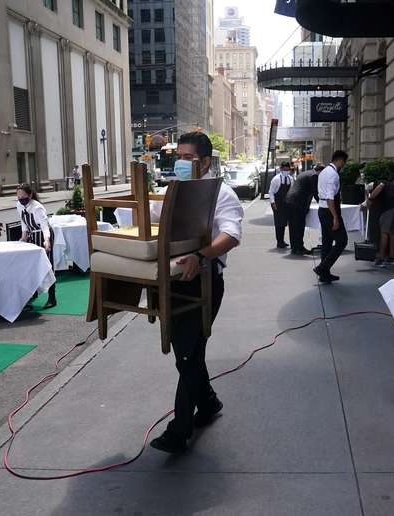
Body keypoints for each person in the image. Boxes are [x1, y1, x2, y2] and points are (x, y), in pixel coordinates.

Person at [150, 131, 243, 454]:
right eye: (179, 157)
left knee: (190, 351)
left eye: (189, 159)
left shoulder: (223, 194)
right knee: (184, 352)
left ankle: (179, 430)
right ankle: (209, 402)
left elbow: (231, 235)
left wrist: (201, 256)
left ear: (205, 162)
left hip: (204, 281)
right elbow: (151, 220)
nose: (182, 163)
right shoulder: (170, 190)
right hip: (174, 281)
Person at [16, 184, 57, 309]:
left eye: (23, 196)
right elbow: (23, 222)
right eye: (18, 196)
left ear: (30, 195)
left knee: (47, 265)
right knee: (31, 265)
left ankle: (52, 298)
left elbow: (44, 226)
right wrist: (24, 236)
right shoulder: (19, 205)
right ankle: (33, 294)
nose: (21, 199)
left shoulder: (37, 207)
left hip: (44, 235)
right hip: (31, 236)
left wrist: (47, 241)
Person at [313, 150, 349, 283]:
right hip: (329, 211)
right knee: (342, 241)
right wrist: (335, 217)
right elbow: (330, 197)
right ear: (340, 160)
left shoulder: (323, 172)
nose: (343, 165)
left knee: (327, 242)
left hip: (322, 210)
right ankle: (323, 268)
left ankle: (324, 274)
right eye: (344, 162)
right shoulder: (333, 174)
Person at [367, 178, 394, 268]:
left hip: (390, 209)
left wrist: (370, 198)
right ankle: (392, 258)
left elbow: (380, 187)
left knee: (384, 233)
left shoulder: (380, 182)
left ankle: (381, 257)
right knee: (393, 233)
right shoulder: (391, 185)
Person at [285, 164, 320, 255]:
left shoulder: (306, 173)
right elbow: (315, 192)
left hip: (290, 200)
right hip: (297, 202)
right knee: (299, 225)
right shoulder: (314, 176)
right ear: (320, 172)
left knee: (293, 226)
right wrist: (323, 203)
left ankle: (295, 247)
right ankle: (299, 248)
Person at [268, 161, 293, 249]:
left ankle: (282, 241)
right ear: (281, 169)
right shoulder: (276, 179)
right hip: (277, 203)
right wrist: (273, 203)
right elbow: (271, 192)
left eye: (288, 169)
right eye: (285, 169)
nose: (286, 171)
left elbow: (292, 191)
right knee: (279, 223)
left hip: (286, 203)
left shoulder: (290, 178)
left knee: (284, 223)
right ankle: (279, 242)